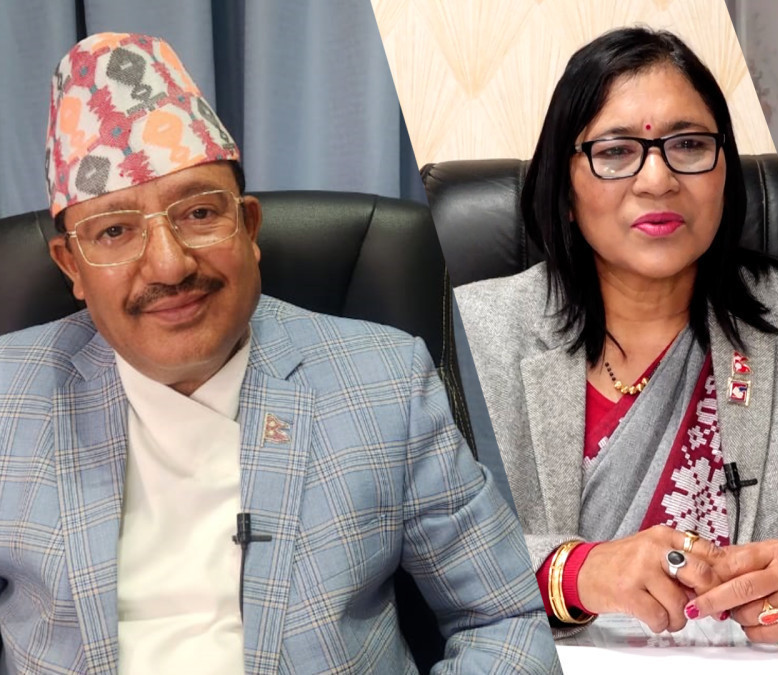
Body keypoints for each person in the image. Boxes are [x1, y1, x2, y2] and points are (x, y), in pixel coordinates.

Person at [0, 32, 559, 673]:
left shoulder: (386, 381)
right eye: (116, 231)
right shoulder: (7, 395)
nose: (169, 266)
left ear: (249, 226)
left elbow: (504, 615)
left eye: (199, 213)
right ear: (71, 265)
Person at [455, 27, 778, 642]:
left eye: (688, 144)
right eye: (616, 151)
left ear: (724, 171)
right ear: (565, 187)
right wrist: (576, 573)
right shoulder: (474, 330)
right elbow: (441, 540)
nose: (657, 180)